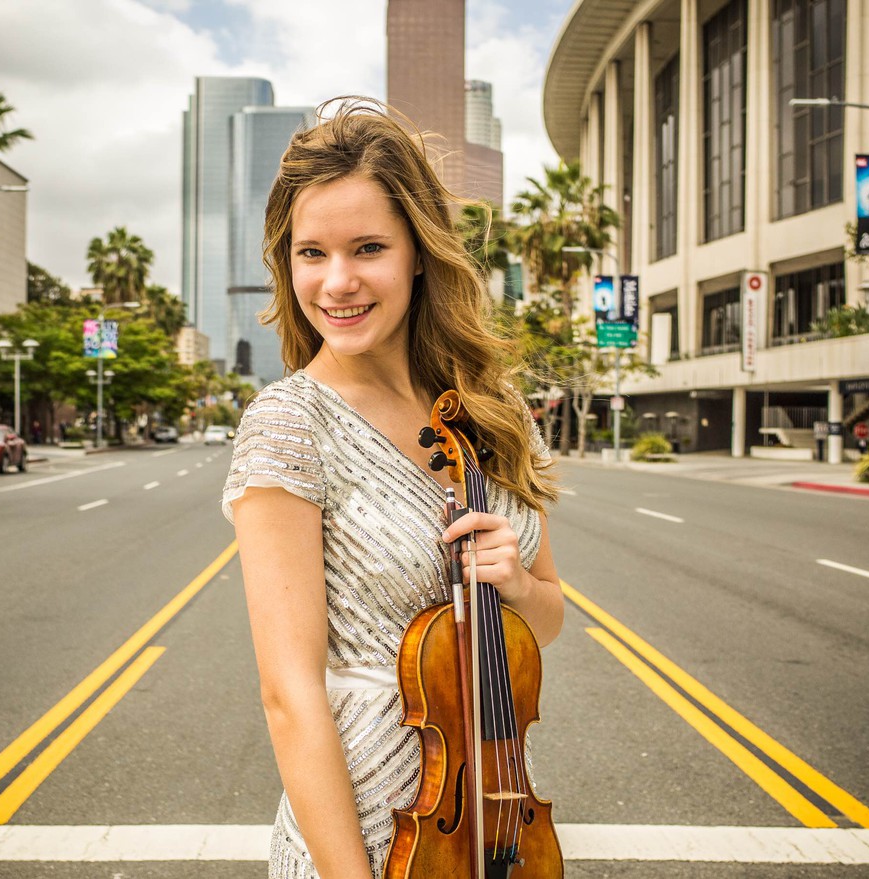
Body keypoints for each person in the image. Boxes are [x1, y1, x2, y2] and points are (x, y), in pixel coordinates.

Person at [221, 98, 563, 878]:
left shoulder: (492, 409)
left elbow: (547, 619)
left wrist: (513, 585)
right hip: (363, 835)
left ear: (417, 251)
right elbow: (290, 694)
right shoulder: (288, 424)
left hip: (493, 815)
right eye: (312, 253)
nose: (337, 282)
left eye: (367, 247)